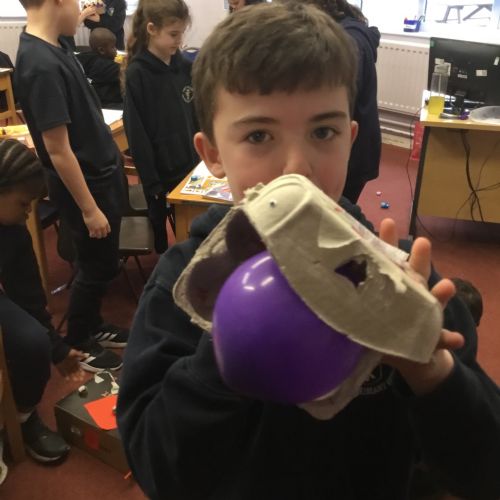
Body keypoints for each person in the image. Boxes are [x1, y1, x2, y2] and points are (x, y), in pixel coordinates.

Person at [117, 4, 500, 500]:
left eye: (323, 132)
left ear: (350, 139)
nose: (297, 168)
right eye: (259, 136)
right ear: (212, 154)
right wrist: (226, 350)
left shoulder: (404, 280)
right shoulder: (186, 282)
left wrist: (428, 372)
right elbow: (156, 466)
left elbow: (486, 471)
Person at [15, 0, 129, 373]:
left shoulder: (55, 44)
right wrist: (89, 208)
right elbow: (58, 149)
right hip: (87, 187)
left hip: (100, 175)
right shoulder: (40, 64)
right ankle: (79, 337)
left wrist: (78, 17)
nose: (81, 6)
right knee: (96, 267)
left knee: (103, 261)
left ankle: (93, 324)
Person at [0, 139, 85, 471]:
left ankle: (22, 418)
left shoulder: (14, 232)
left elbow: (30, 298)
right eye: (23, 203)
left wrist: (57, 349)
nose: (27, 213)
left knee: (32, 342)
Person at [123, 0, 199, 254]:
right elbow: (137, 134)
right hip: (160, 172)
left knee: (195, 229)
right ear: (152, 29)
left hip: (191, 164)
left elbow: (196, 116)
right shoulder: (137, 74)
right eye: (173, 34)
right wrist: (152, 182)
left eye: (181, 33)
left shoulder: (185, 67)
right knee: (164, 240)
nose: (179, 40)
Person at [291, 0, 381, 204]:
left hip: (350, 155)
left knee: (332, 210)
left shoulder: (347, 41)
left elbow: (330, 103)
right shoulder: (344, 33)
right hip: (345, 148)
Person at [77, 28, 123, 109]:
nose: (116, 49)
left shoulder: (83, 58)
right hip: (107, 105)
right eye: (113, 47)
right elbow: (127, 70)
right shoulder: (105, 66)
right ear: (102, 50)